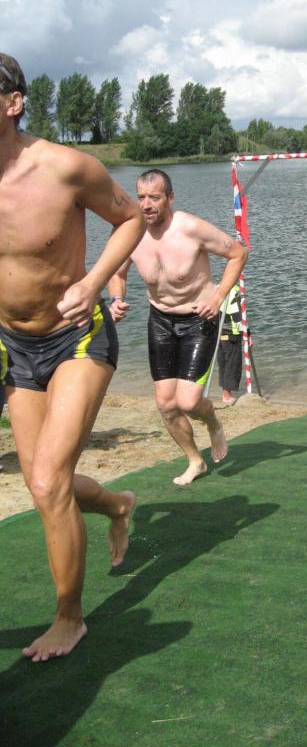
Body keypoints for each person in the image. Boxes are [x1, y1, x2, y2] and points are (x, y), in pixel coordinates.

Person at [0, 53, 144, 661]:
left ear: (13, 103)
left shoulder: (66, 168)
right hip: (12, 346)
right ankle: (116, 504)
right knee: (44, 486)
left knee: (46, 479)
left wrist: (94, 282)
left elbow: (130, 219)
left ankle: (69, 618)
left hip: (76, 338)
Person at [109, 169, 248, 485]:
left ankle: (212, 422)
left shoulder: (190, 228)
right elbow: (116, 273)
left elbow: (238, 253)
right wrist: (116, 298)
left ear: (169, 198)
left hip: (199, 318)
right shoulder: (129, 232)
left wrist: (218, 297)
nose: (146, 204)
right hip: (160, 320)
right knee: (166, 405)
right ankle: (195, 460)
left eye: (154, 197)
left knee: (188, 401)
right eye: (141, 197)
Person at [218, 283, 243, 405]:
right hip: (231, 333)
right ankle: (227, 395)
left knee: (223, 363)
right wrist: (247, 333)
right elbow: (236, 315)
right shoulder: (233, 291)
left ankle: (225, 393)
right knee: (232, 363)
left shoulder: (218, 288)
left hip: (219, 333)